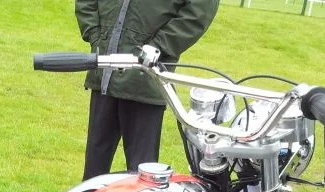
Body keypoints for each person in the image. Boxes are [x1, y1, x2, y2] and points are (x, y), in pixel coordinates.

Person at [76, 0, 219, 180]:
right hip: (105, 72)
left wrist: (158, 46)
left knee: (143, 174)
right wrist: (96, 36)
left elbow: (200, 10)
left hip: (146, 79)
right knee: (93, 174)